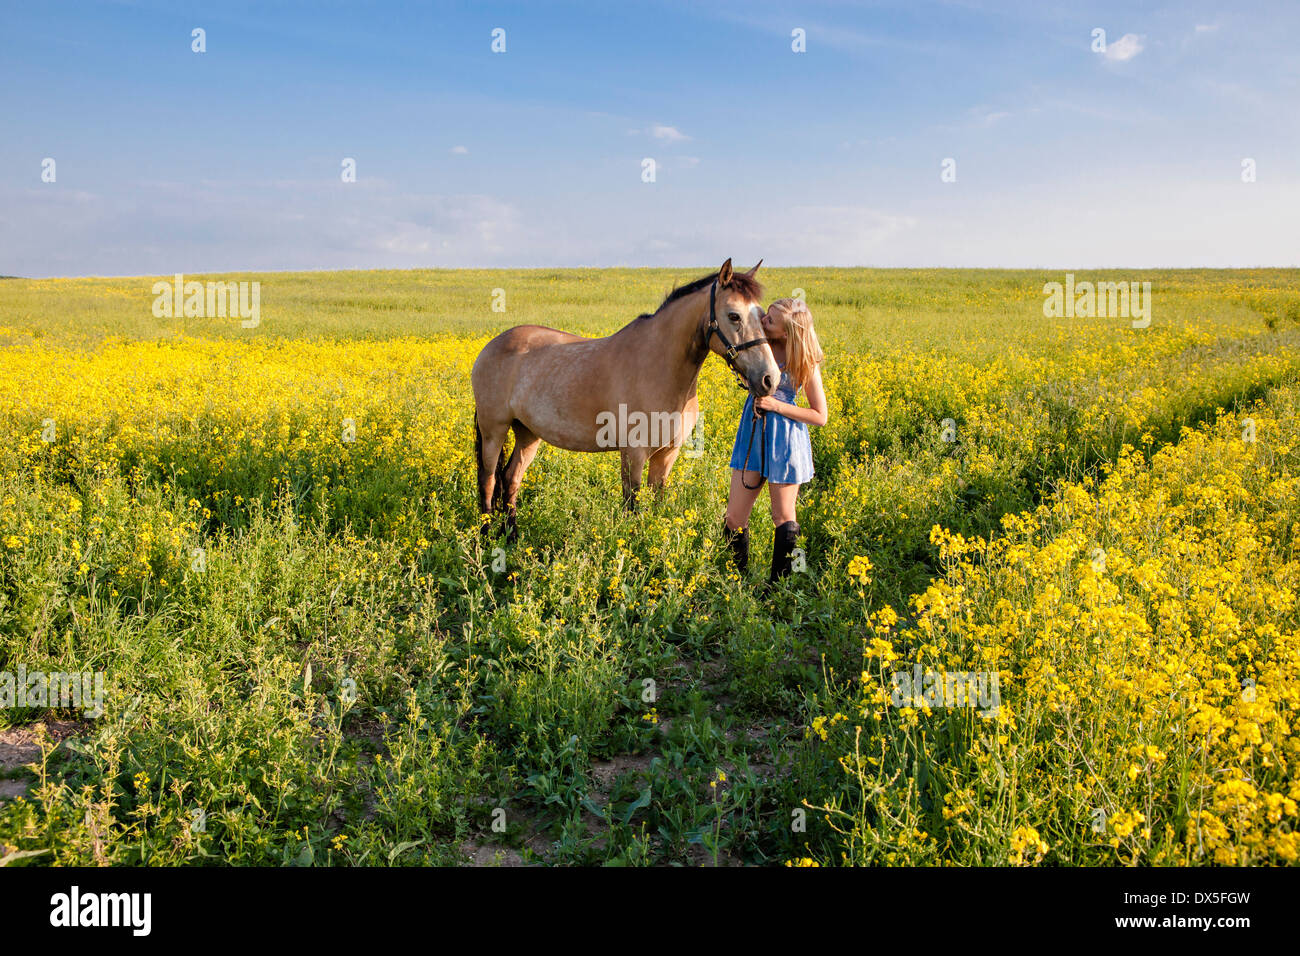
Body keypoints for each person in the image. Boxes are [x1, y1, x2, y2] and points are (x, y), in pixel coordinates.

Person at [721, 297, 827, 584]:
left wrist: (776, 406)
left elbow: (820, 415)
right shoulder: (759, 345)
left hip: (786, 442)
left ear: (787, 332)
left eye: (770, 320)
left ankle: (779, 589)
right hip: (753, 434)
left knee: (783, 517)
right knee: (734, 517)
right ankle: (734, 582)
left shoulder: (803, 360)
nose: (763, 321)